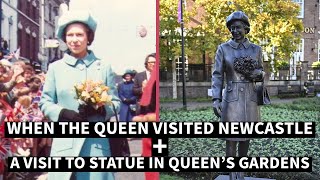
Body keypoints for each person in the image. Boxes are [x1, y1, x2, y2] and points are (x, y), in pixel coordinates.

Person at [39, 11, 120, 180]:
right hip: (64, 145)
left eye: (79, 34)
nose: (74, 39)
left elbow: (115, 102)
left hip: (95, 145)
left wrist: (100, 109)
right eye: (70, 35)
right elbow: (45, 102)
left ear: (88, 37)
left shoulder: (103, 67)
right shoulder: (55, 68)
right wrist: (62, 113)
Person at [211, 11, 264, 180]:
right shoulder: (223, 49)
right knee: (231, 137)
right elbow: (217, 75)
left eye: (238, 28)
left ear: (246, 29)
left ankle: (241, 171)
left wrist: (258, 74)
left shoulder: (256, 49)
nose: (235, 31)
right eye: (232, 28)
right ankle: (233, 174)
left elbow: (262, 72)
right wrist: (216, 99)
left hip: (250, 97)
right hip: (231, 98)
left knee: (246, 136)